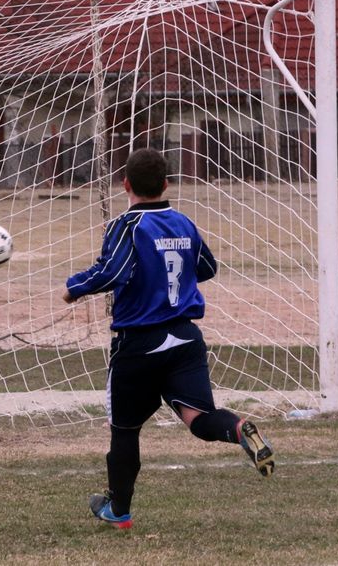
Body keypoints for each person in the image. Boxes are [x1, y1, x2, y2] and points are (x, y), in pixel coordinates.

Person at [61, 147, 275, 530]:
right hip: (185, 339)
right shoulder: (183, 223)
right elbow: (206, 267)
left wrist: (73, 288)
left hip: (139, 343)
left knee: (125, 430)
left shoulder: (127, 225)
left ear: (125, 184)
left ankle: (119, 511)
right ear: (165, 184)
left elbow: (112, 271)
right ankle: (238, 428)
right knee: (200, 419)